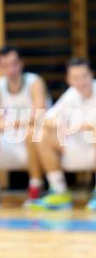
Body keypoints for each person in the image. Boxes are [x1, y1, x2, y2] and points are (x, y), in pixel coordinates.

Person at [30, 58, 96, 210]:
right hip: (76, 148)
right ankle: (59, 191)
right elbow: (45, 120)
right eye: (75, 78)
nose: (80, 82)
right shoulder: (71, 94)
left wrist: (74, 126)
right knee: (39, 134)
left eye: (84, 76)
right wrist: (59, 124)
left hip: (92, 147)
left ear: (91, 74)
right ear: (68, 79)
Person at [0, 46, 49, 202]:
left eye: (14, 64)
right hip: (9, 140)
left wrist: (7, 123)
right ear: (0, 67)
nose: (11, 69)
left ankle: (36, 186)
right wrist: (16, 123)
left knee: (32, 132)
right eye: (5, 65)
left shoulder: (34, 82)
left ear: (21, 64)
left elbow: (38, 116)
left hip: (36, 142)